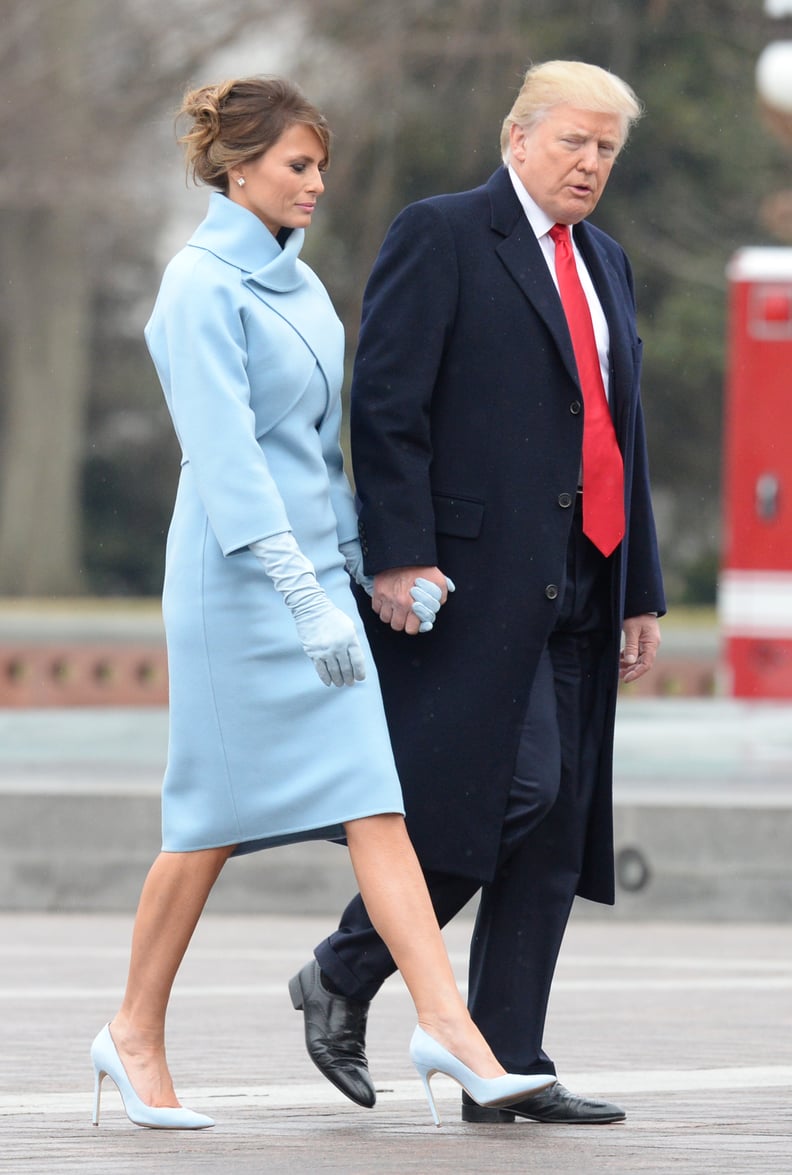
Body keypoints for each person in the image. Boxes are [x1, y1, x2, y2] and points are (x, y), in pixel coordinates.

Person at [89, 76, 554, 1132]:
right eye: (298, 165)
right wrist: (299, 590)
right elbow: (229, 459)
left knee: (374, 800)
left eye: (319, 165)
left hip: (311, 581)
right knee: (204, 822)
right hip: (235, 587)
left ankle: (451, 1029)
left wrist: (369, 568)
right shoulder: (197, 286)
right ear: (237, 166)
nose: (316, 183)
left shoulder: (298, 285)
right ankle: (132, 1031)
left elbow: (315, 450)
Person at [292, 60, 666, 1126]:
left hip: (586, 578)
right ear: (518, 136)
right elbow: (388, 397)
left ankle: (510, 1060)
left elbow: (619, 435)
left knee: (554, 830)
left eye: (606, 149)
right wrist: (396, 554)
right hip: (468, 583)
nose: (590, 164)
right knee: (511, 792)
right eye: (573, 142)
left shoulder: (609, 263)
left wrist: (640, 588)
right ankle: (343, 965)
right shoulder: (443, 231)